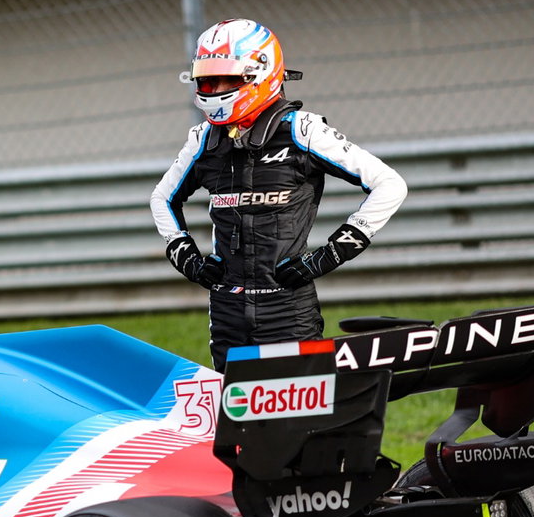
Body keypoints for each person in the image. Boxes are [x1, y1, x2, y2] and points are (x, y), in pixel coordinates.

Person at [149, 18, 407, 371]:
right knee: (235, 418)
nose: (215, 88)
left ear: (261, 73)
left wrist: (330, 255)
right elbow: (162, 199)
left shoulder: (304, 131)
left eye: (227, 77)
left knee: (301, 418)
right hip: (226, 309)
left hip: (288, 307)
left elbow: (389, 184)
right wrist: (186, 257)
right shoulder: (202, 139)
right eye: (207, 79)